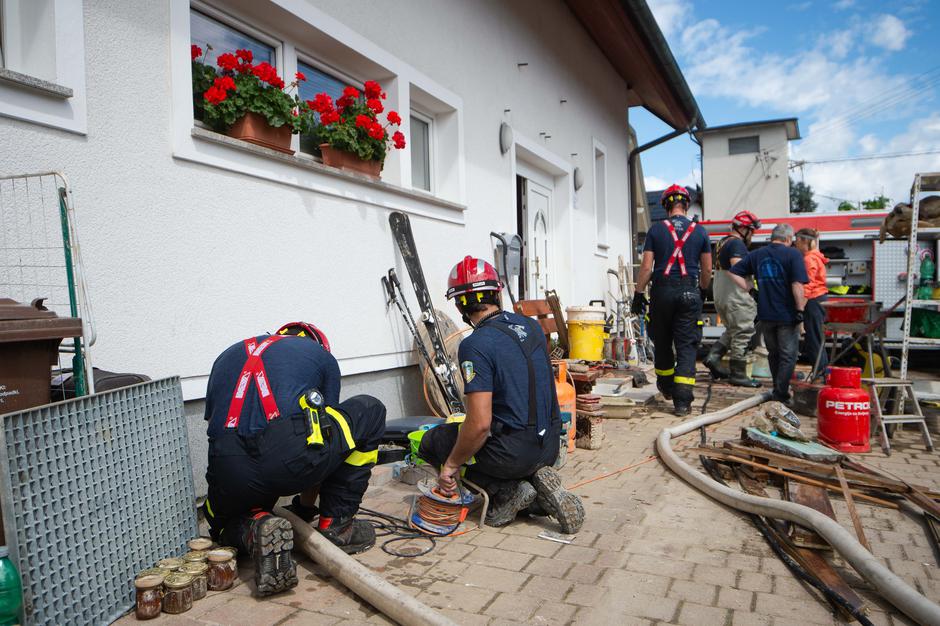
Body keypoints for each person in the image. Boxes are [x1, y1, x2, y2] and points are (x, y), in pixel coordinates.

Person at [201, 322, 386, 595]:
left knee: (222, 522)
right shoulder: (320, 356)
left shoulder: (227, 355)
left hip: (227, 467)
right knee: (369, 409)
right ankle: (337, 525)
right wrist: (308, 503)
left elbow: (220, 426)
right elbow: (322, 435)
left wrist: (299, 507)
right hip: (286, 458)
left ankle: (255, 527)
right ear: (318, 344)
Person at [417, 256, 584, 533]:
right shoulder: (530, 327)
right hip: (550, 445)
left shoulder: (475, 345)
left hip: (513, 455)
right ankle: (533, 494)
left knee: (436, 440)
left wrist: (450, 465)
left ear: (460, 305)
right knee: (490, 436)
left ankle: (505, 491)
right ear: (497, 293)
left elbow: (480, 424)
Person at [632, 184, 712, 416]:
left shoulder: (656, 231)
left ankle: (666, 387)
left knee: (663, 342)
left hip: (662, 293)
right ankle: (683, 402)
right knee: (687, 346)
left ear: (666, 205)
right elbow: (707, 270)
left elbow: (647, 267)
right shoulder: (700, 232)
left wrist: (638, 294)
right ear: (686, 205)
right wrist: (703, 290)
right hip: (689, 293)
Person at [730, 224, 808, 404]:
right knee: (788, 355)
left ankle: (777, 389)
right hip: (787, 314)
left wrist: (750, 290)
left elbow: (734, 272)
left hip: (765, 314)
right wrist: (800, 310)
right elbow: (797, 285)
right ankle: (781, 394)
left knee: (774, 353)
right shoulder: (793, 254)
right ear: (788, 239)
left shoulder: (757, 254)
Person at [704, 210, 762, 387]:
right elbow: (737, 269)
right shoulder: (737, 245)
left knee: (732, 330)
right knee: (743, 332)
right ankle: (738, 374)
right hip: (736, 296)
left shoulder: (723, 242)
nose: (752, 235)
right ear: (743, 229)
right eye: (751, 230)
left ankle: (713, 357)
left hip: (721, 294)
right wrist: (751, 289)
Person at [794, 228, 829, 371]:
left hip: (813, 301)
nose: (795, 244)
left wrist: (800, 308)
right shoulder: (815, 256)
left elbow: (808, 285)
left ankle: (820, 374)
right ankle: (821, 372)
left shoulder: (809, 259)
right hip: (817, 300)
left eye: (797, 241)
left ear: (805, 241)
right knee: (816, 338)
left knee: (813, 339)